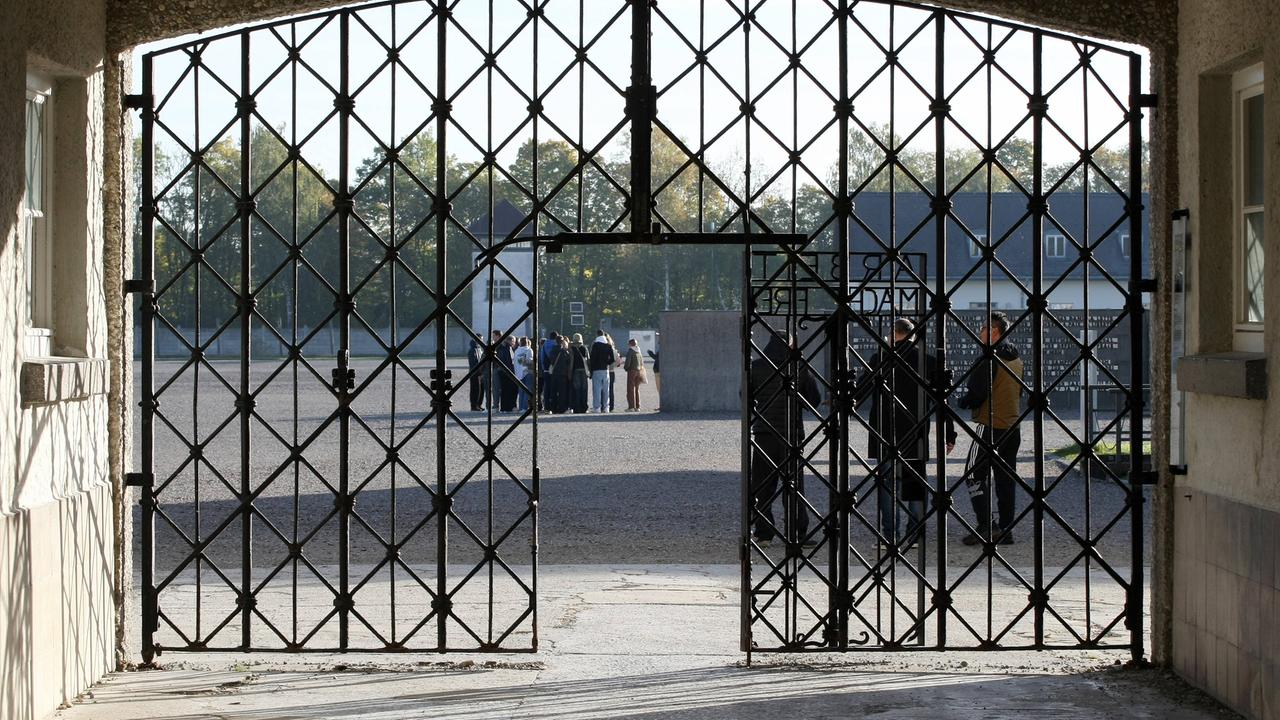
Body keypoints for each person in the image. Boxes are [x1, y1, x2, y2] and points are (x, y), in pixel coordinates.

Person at [854, 318, 956, 548]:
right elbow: (942, 401)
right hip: (916, 431)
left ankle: (889, 536)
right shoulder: (928, 361)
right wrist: (950, 432)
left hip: (885, 431)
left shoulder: (880, 359)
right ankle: (915, 535)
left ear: (894, 334)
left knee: (887, 485)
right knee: (914, 485)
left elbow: (861, 390)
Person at [958, 311, 1024, 546]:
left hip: (990, 425)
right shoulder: (1015, 358)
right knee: (1006, 479)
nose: (980, 331)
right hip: (1012, 426)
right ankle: (1006, 529)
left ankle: (986, 525)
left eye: (984, 327)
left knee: (973, 474)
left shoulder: (989, 358)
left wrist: (963, 401)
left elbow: (976, 395)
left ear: (994, 331)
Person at [749, 333, 821, 546]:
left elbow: (746, 397)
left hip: (764, 433)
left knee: (763, 485)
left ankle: (764, 533)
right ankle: (797, 533)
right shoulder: (798, 366)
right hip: (791, 434)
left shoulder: (757, 366)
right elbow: (813, 401)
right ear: (791, 344)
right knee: (794, 487)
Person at [588, 329, 616, 413]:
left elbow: (592, 359)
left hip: (596, 370)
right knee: (606, 390)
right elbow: (613, 359)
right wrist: (607, 363)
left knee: (597, 390)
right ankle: (606, 407)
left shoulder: (595, 345)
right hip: (605, 370)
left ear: (597, 335)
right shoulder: (608, 345)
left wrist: (591, 370)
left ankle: (597, 408)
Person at [548, 335, 574, 414]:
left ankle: (553, 408)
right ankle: (562, 408)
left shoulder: (552, 350)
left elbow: (551, 360)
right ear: (562, 341)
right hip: (562, 374)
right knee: (562, 392)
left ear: (556, 341)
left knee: (554, 391)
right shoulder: (564, 351)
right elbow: (568, 361)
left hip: (554, 373)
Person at [495, 332, 518, 412]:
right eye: (514, 341)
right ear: (510, 341)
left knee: (505, 390)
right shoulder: (507, 349)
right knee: (508, 390)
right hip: (507, 372)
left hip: (503, 372)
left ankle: (505, 407)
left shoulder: (502, 348)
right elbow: (509, 361)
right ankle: (508, 407)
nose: (514, 343)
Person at [623, 338, 646, 411]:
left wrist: (626, 368)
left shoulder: (630, 351)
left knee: (630, 389)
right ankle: (637, 406)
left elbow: (628, 363)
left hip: (632, 371)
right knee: (637, 389)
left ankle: (631, 406)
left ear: (630, 344)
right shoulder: (639, 351)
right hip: (639, 371)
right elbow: (642, 362)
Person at [513, 336, 535, 412]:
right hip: (528, 372)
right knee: (527, 391)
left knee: (521, 391)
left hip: (518, 373)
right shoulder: (529, 350)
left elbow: (515, 362)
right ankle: (524, 407)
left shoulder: (516, 351)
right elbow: (530, 361)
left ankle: (521, 407)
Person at [570, 333, 590, 413]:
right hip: (584, 371)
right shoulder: (585, 348)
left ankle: (577, 408)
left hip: (575, 371)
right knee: (584, 390)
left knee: (577, 390)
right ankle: (584, 407)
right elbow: (588, 360)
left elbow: (571, 361)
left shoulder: (572, 349)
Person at [540, 332, 560, 408]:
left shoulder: (544, 345)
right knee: (555, 388)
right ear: (556, 337)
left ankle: (547, 405)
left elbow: (542, 357)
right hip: (555, 369)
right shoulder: (556, 345)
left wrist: (543, 368)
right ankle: (554, 405)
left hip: (546, 368)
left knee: (547, 388)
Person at [467, 338, 485, 411]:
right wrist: (479, 372)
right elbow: (473, 363)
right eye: (481, 339)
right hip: (475, 373)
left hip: (480, 373)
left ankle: (479, 404)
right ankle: (474, 406)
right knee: (475, 390)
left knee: (481, 390)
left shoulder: (479, 349)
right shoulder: (472, 350)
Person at [647, 343, 660, 411]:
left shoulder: (663, 349)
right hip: (657, 371)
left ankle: (662, 405)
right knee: (659, 389)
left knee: (660, 389)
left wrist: (651, 354)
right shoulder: (661, 348)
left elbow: (658, 359)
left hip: (659, 372)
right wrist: (651, 354)